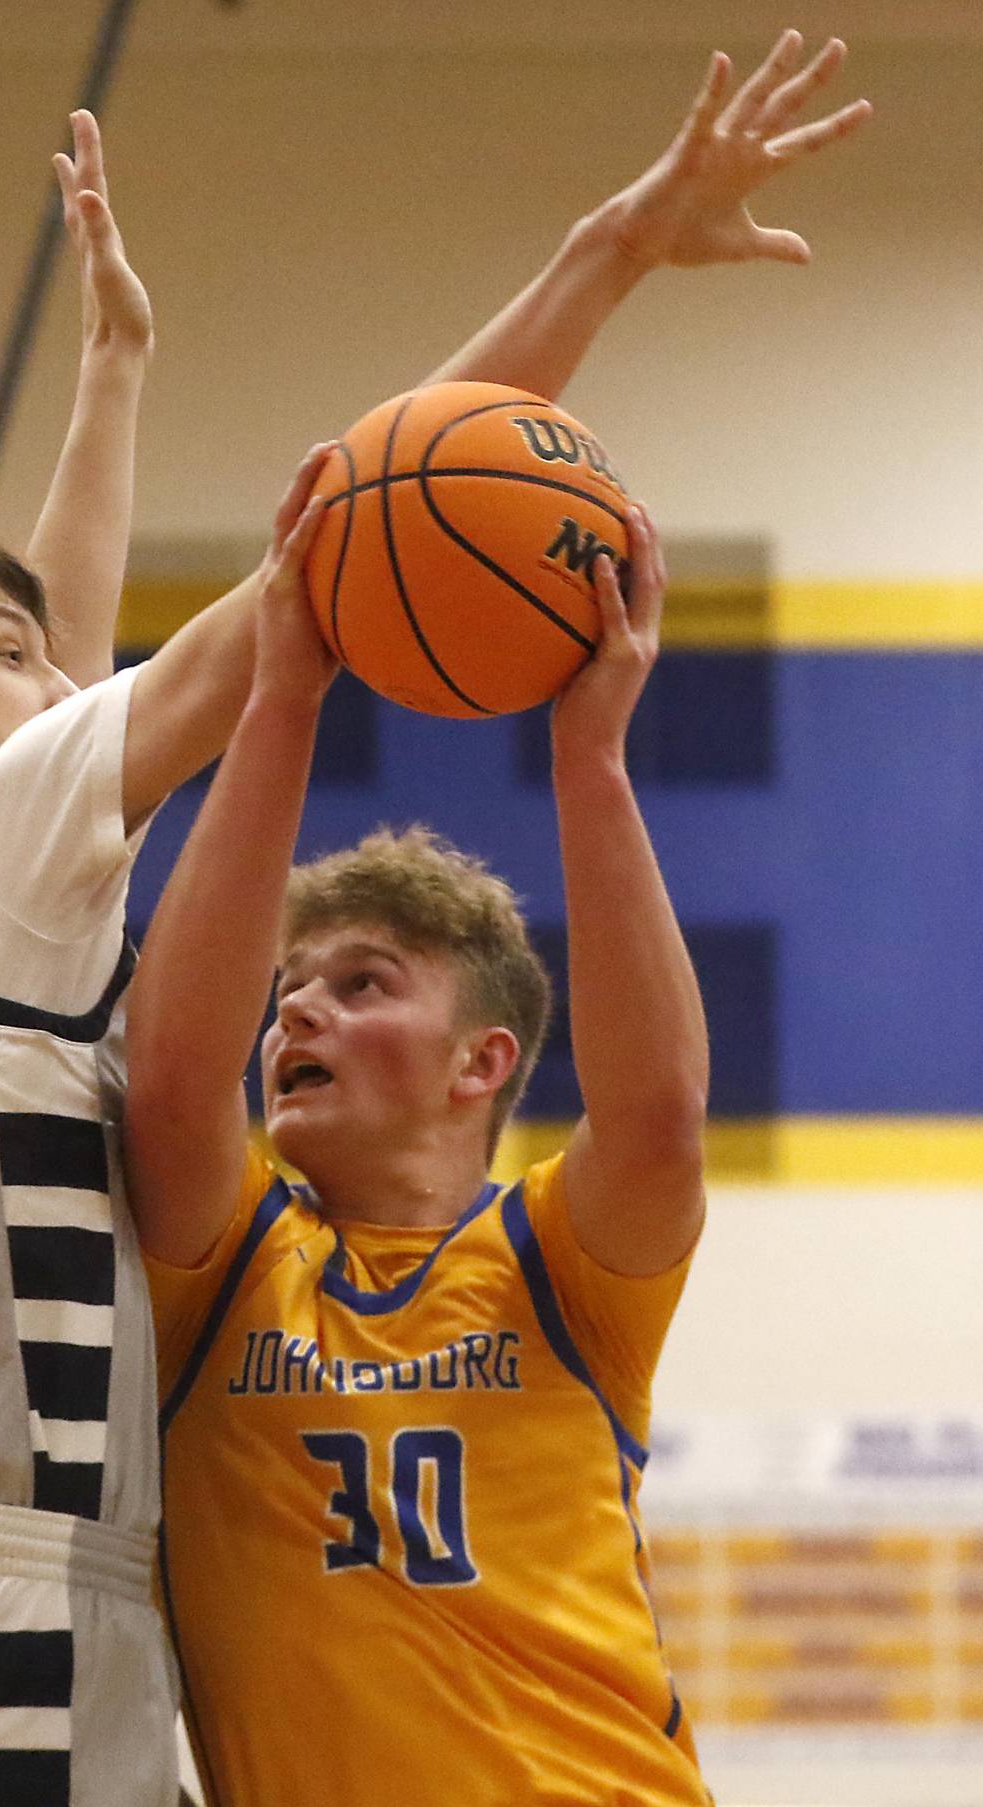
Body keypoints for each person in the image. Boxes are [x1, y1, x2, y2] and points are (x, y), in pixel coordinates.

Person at [123, 35, 870, 1807]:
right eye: (292, 989)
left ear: (484, 1063)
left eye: (357, 984)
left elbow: (661, 1112)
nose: (292, 1014)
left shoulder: (560, 1270)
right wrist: (283, 699)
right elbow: (169, 1083)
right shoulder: (227, 1265)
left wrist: (592, 757)